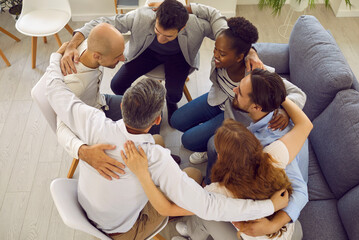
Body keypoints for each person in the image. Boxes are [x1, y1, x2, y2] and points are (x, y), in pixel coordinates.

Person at [45, 49, 289, 239]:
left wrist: (61, 54)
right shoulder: (155, 159)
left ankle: (167, 184)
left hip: (86, 207)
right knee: (192, 173)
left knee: (160, 142)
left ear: (122, 106)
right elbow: (210, 206)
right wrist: (269, 206)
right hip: (123, 230)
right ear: (157, 119)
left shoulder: (93, 121)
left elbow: (55, 90)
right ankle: (173, 190)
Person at [121, 95, 312, 239]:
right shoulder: (273, 156)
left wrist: (141, 173)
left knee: (204, 214)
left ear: (221, 157)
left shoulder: (217, 193)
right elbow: (305, 125)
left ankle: (193, 235)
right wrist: (280, 96)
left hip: (250, 235)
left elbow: (168, 209)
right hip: (286, 232)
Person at [60, 0, 264, 122]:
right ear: (156, 17)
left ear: (182, 28)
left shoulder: (197, 26)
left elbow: (232, 36)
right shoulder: (141, 16)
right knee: (116, 84)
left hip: (179, 58)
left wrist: (251, 52)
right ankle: (135, 108)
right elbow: (100, 23)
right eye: (157, 31)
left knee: (174, 95)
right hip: (146, 53)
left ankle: (169, 103)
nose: (161, 38)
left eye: (168, 36)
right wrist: (72, 43)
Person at [170, 17, 306, 164]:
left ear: (239, 57)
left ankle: (207, 145)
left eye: (222, 53)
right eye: (215, 49)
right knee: (176, 120)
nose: (216, 55)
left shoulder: (257, 74)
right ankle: (207, 131)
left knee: (188, 141)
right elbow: (212, 15)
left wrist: (286, 110)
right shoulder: (221, 57)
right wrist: (252, 51)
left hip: (234, 114)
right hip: (218, 98)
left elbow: (299, 94)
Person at [204, 69, 310, 238]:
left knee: (208, 212)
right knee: (212, 145)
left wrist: (272, 225)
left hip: (271, 191)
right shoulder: (279, 112)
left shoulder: (269, 146)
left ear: (256, 107)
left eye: (240, 92)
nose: (234, 90)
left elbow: (301, 192)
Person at [53, 23, 126, 180]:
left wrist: (70, 44)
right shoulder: (75, 84)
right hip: (89, 123)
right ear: (98, 56)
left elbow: (93, 24)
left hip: (100, 102)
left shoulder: (87, 44)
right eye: (117, 56)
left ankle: (153, 149)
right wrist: (83, 151)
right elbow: (61, 128)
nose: (123, 58)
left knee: (149, 112)